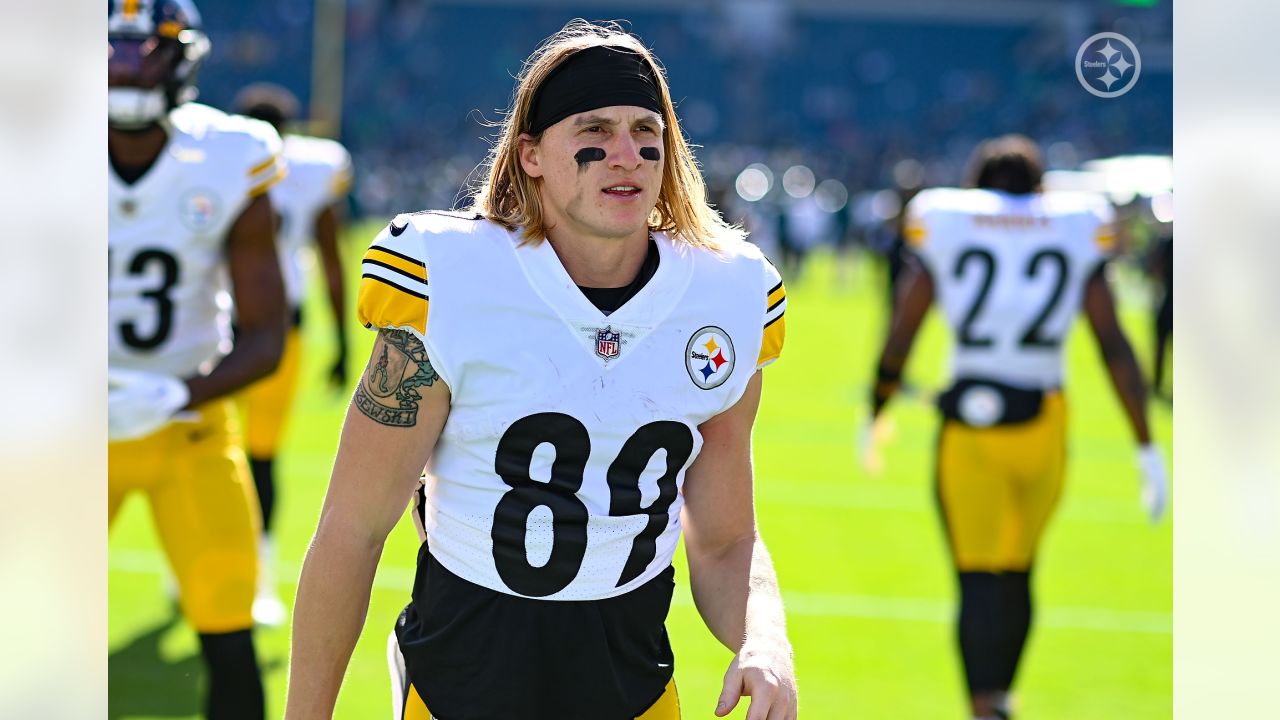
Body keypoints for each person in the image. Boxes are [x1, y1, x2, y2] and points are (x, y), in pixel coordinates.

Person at [286, 20, 798, 720]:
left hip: (631, 687)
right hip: (462, 685)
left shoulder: (728, 295)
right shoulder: (452, 279)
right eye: (595, 130)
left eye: (646, 131)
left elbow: (726, 539)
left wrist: (765, 640)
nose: (627, 155)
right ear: (530, 154)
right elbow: (353, 529)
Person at [863, 135, 1168, 720]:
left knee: (978, 580)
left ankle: (983, 708)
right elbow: (1112, 343)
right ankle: (1002, 702)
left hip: (971, 432)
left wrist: (877, 407)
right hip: (1044, 425)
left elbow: (905, 328)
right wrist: (1146, 444)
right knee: (1020, 571)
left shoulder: (948, 219)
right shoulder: (1074, 223)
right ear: (1041, 189)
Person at [107, 1, 286, 718]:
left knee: (228, 635)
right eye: (113, 51)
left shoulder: (226, 154)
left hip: (192, 431)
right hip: (61, 438)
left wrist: (181, 393)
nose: (126, 67)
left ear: (182, 59)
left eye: (145, 51)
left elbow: (266, 335)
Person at [232, 82, 355, 626]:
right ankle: (257, 578)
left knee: (224, 451)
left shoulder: (223, 164)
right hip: (281, 331)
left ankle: (245, 576)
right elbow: (331, 258)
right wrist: (345, 341)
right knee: (257, 459)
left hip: (223, 330)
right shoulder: (310, 169)